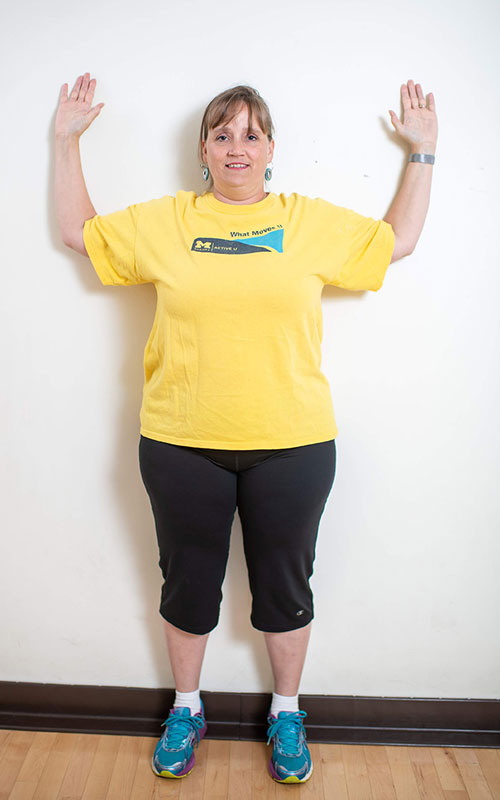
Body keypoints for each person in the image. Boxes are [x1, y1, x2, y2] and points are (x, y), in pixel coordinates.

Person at [54, 74, 437, 784]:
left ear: (270, 150)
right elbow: (79, 233)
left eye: (251, 134)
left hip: (292, 445)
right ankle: (187, 707)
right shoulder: (168, 220)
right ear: (204, 149)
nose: (237, 147)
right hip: (179, 442)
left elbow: (400, 241)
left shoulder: (306, 221)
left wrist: (423, 153)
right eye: (223, 134)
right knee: (186, 587)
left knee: (286, 590)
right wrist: (65, 141)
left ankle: (286, 713)